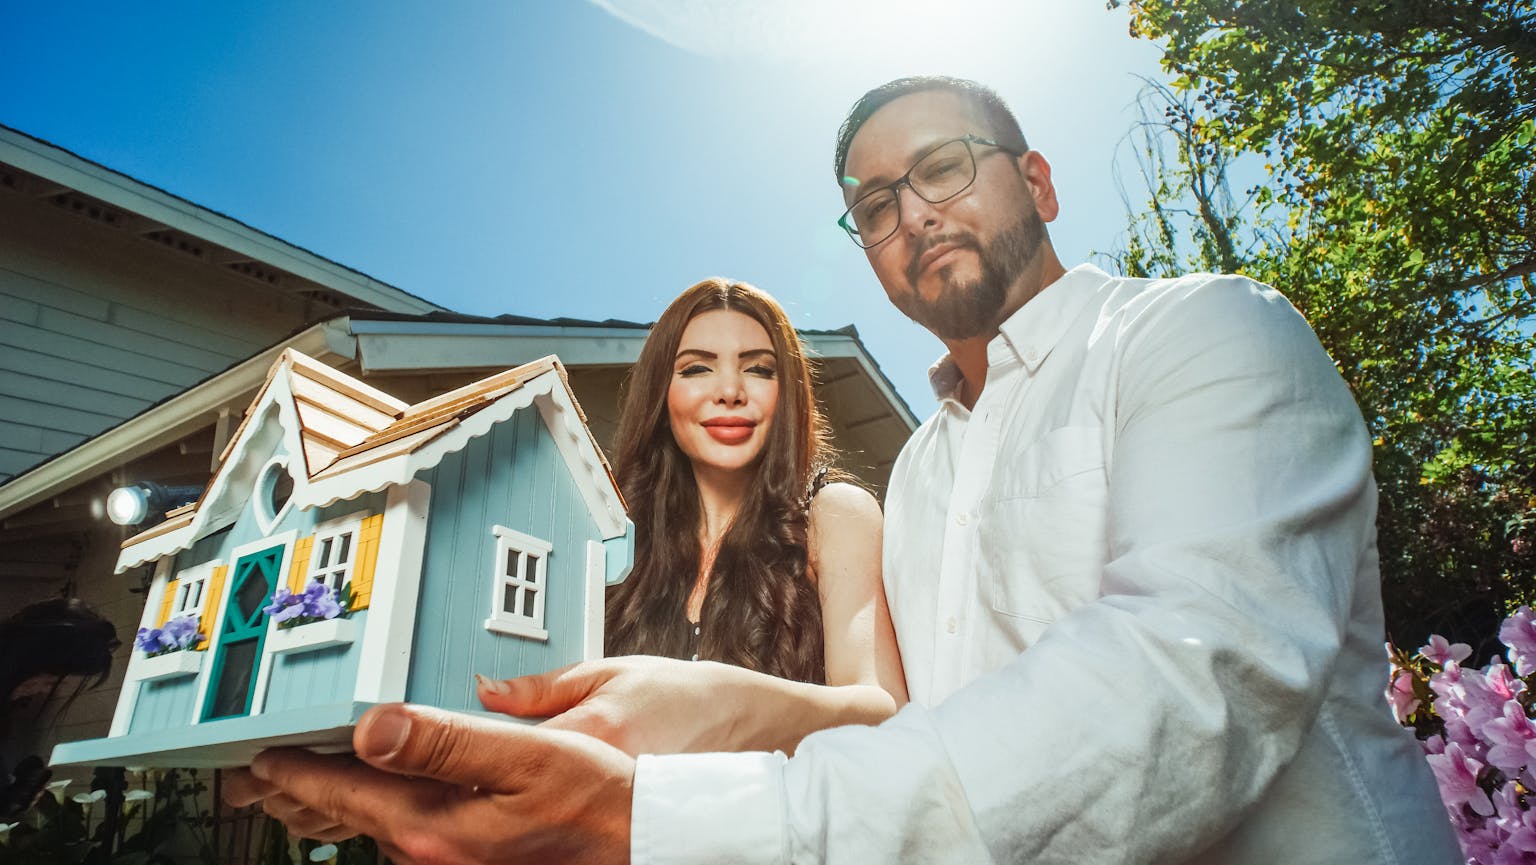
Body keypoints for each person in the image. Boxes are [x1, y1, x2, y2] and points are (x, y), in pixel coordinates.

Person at [224, 76, 1460, 864]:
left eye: (943, 167)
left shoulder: (1203, 333)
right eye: (872, 203)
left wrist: (663, 818)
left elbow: (1188, 681)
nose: (910, 212)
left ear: (1036, 179)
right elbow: (921, 734)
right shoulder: (925, 473)